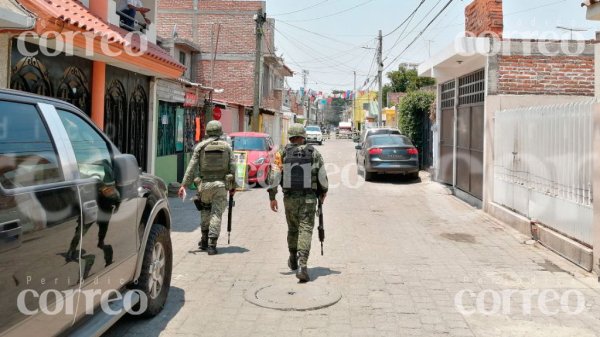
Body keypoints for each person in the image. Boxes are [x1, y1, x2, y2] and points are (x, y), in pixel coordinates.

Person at [268, 123, 328, 282]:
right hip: (308, 199)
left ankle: (293, 256)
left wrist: (272, 197)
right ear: (303, 137)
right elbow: (322, 176)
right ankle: (302, 265)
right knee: (306, 229)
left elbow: (274, 176)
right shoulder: (313, 152)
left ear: (290, 137)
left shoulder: (282, 152)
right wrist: (323, 192)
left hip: (289, 199)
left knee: (293, 229)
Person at [178, 121, 236, 255]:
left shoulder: (200, 147)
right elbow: (233, 168)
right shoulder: (227, 147)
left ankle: (204, 240)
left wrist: (183, 185)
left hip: (204, 186)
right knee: (216, 213)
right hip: (221, 186)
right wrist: (233, 186)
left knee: (205, 211)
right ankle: (212, 245)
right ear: (220, 132)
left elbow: (191, 167)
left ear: (208, 132)